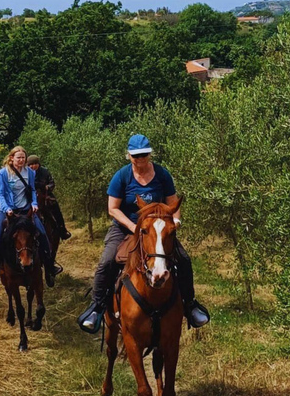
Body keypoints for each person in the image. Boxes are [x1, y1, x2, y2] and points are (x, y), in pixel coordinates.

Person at [78, 134, 210, 331]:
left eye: (144, 155)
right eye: (136, 156)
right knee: (106, 261)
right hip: (125, 228)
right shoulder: (122, 176)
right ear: (129, 156)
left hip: (157, 229)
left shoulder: (162, 175)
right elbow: (113, 208)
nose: (140, 159)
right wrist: (135, 228)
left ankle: (189, 305)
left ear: (150, 154)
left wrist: (176, 221)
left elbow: (172, 202)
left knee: (183, 259)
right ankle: (97, 306)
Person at [0, 146, 60, 288]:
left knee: (42, 234)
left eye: (23, 158)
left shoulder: (29, 173)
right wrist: (7, 209)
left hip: (26, 210)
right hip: (8, 211)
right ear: (11, 158)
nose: (21, 160)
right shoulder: (3, 173)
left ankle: (50, 267)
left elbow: (32, 190)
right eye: (18, 157)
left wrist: (34, 203)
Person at [26, 155, 71, 240]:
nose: (33, 166)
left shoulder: (45, 171)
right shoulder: (25, 173)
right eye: (30, 164)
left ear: (38, 164)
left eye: (35, 164)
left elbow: (52, 183)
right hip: (30, 195)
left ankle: (62, 230)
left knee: (56, 209)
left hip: (45, 194)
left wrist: (48, 187)